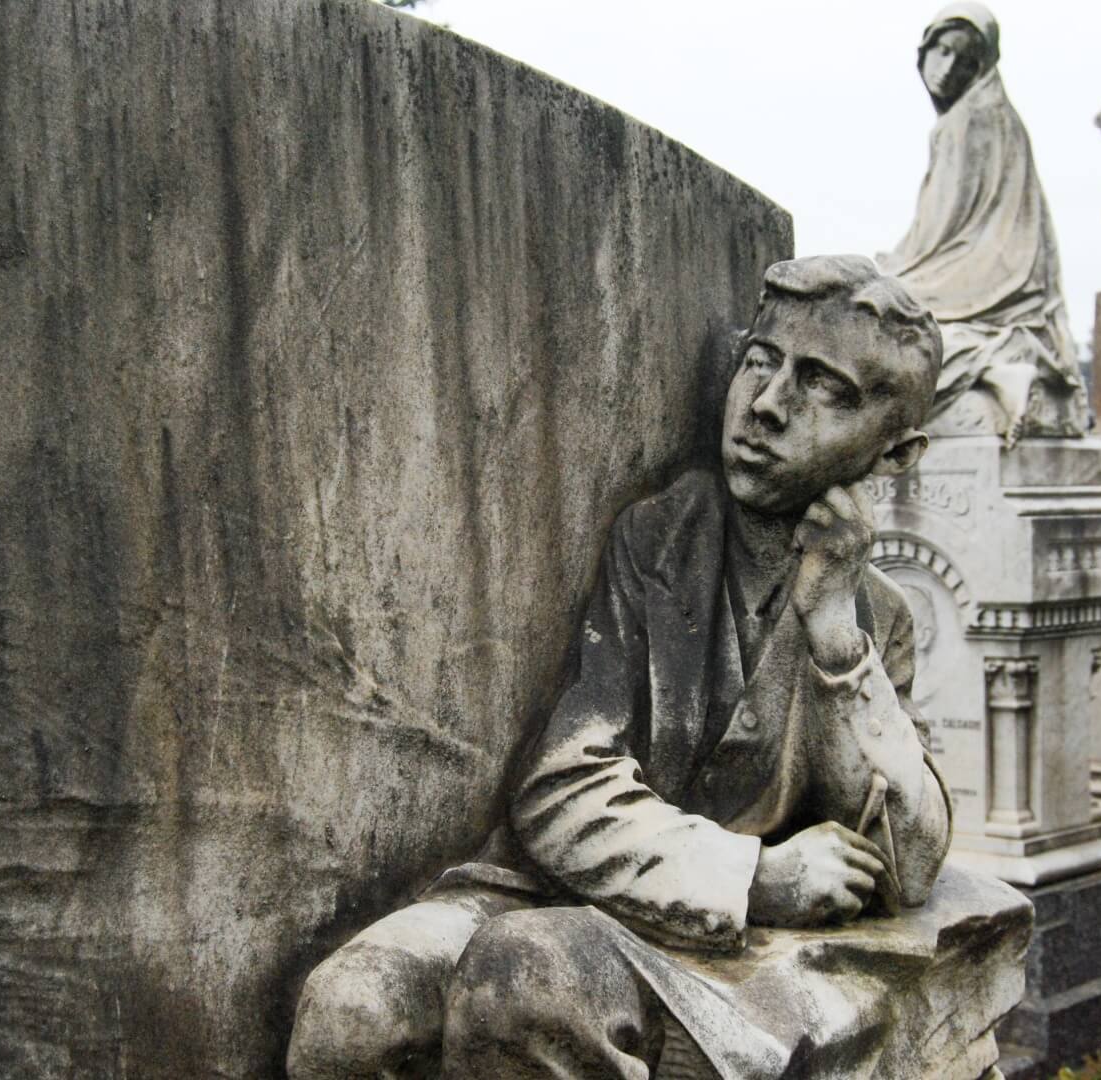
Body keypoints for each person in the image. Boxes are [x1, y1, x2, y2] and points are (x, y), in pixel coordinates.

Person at [286, 256, 952, 1080]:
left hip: (712, 958)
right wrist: (751, 875)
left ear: (895, 453)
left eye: (823, 386)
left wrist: (835, 635)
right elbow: (562, 788)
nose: (766, 405)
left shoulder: (874, 618)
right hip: (563, 889)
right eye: (760, 360)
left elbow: (910, 861)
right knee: (350, 1012)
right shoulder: (658, 539)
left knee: (527, 983)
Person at [877, 3, 1086, 446]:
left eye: (964, 60)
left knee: (877, 328)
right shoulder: (996, 115)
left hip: (983, 280)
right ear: (925, 51)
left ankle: (995, 368)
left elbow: (944, 236)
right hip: (999, 280)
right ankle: (1000, 374)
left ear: (981, 68)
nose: (947, 68)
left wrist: (895, 269)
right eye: (942, 51)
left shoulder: (969, 119)